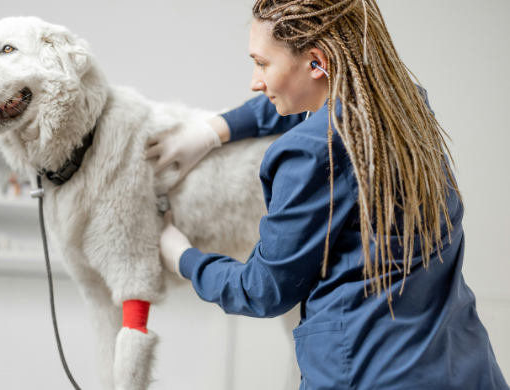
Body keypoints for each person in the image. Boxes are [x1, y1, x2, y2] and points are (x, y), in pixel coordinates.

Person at [145, 1, 509, 389]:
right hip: (464, 367)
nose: (255, 81)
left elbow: (262, 290)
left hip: (368, 376)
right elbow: (328, 94)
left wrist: (182, 256)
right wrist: (213, 130)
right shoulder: (405, 104)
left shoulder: (310, 153)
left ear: (317, 62)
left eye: (262, 64)